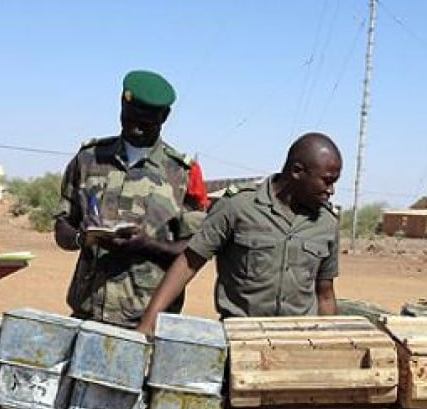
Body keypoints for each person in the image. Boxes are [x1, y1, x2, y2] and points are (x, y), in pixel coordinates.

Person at [136, 133, 342, 335]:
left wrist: (332, 343)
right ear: (297, 171)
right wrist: (148, 323)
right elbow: (188, 262)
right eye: (327, 181)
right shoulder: (238, 207)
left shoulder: (327, 223)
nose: (331, 190)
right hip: (242, 340)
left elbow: (324, 294)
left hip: (298, 344)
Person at [54, 69, 207, 329]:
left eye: (146, 122)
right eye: (129, 117)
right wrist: (83, 238)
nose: (135, 127)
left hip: (147, 322)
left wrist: (148, 246)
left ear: (164, 117)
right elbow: (62, 225)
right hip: (86, 313)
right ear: (121, 105)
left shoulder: (183, 173)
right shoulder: (89, 158)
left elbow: (196, 248)